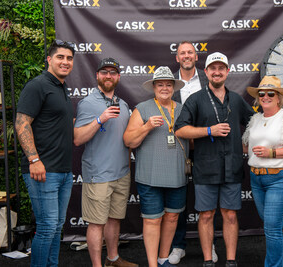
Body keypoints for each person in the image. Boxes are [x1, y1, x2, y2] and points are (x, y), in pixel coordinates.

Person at [175, 52, 254, 267]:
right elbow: (180, 130)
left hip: (232, 168)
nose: (217, 72)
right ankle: (208, 261)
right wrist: (209, 130)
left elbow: (256, 123)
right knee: (207, 215)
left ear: (227, 72)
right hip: (205, 168)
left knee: (229, 216)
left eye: (221, 68)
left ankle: (231, 260)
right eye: (213, 68)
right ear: (207, 72)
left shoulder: (236, 99)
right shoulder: (195, 99)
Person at [15, 39, 75, 267]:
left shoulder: (62, 88)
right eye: (60, 57)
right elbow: (22, 123)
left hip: (62, 171)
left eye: (69, 58)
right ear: (49, 59)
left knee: (56, 226)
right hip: (43, 170)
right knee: (48, 225)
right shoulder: (37, 85)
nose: (65, 62)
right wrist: (34, 159)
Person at [74, 58, 137, 267]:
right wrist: (100, 119)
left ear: (118, 77)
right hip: (98, 174)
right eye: (104, 72)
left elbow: (127, 140)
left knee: (114, 219)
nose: (108, 76)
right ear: (97, 76)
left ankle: (113, 259)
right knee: (96, 223)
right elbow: (77, 138)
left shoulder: (124, 104)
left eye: (112, 72)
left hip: (121, 173)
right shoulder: (88, 102)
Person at [123, 66, 188, 267]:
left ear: (174, 87)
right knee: (152, 220)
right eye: (160, 84)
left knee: (172, 218)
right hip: (150, 176)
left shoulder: (183, 109)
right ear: (154, 87)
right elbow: (128, 141)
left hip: (177, 175)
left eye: (169, 84)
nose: (165, 88)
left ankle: (163, 258)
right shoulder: (142, 109)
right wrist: (147, 126)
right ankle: (153, 264)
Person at [242, 76, 283, 267]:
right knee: (270, 225)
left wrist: (271, 152)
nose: (266, 96)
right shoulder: (255, 119)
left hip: (280, 179)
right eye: (262, 94)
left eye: (271, 93)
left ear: (279, 97)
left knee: (272, 228)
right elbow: (246, 147)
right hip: (256, 179)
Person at [169, 41, 218, 265]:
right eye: (182, 53)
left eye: (190, 52)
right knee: (177, 199)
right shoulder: (169, 82)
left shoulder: (209, 79)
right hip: (177, 149)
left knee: (208, 200)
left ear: (196, 57)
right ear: (177, 58)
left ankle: (211, 245)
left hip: (205, 149)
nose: (186, 56)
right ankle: (178, 245)